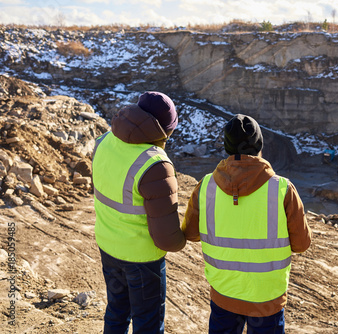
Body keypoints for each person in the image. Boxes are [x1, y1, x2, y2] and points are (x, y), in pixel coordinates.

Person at [182, 114, 312, 334]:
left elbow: (191, 233)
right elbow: (302, 244)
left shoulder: (205, 186)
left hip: (224, 294)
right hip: (266, 298)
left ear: (226, 147)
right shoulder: (282, 189)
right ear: (259, 145)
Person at [92, 91, 186, 333]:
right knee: (148, 323)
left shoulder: (104, 141)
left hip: (108, 247)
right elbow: (167, 238)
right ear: (165, 130)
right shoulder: (155, 165)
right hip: (142, 260)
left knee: (116, 312)